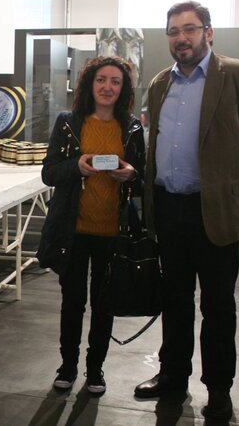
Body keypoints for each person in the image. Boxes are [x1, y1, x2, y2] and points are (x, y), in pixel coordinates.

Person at [134, 0, 239, 421]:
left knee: (217, 306)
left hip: (213, 211)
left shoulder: (238, 75)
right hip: (169, 208)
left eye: (190, 29)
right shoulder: (160, 83)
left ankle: (218, 388)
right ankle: (173, 375)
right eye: (174, 31)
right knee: (175, 300)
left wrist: (228, 179)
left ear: (208, 33)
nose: (181, 38)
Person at [37, 56, 145, 394]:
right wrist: (77, 167)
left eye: (115, 81)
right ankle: (68, 366)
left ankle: (95, 369)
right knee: (72, 302)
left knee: (104, 304)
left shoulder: (132, 128)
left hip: (113, 232)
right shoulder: (68, 123)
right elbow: (49, 172)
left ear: (123, 88)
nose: (107, 87)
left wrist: (131, 174)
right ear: (90, 83)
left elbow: (142, 180)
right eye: (101, 79)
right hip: (74, 231)